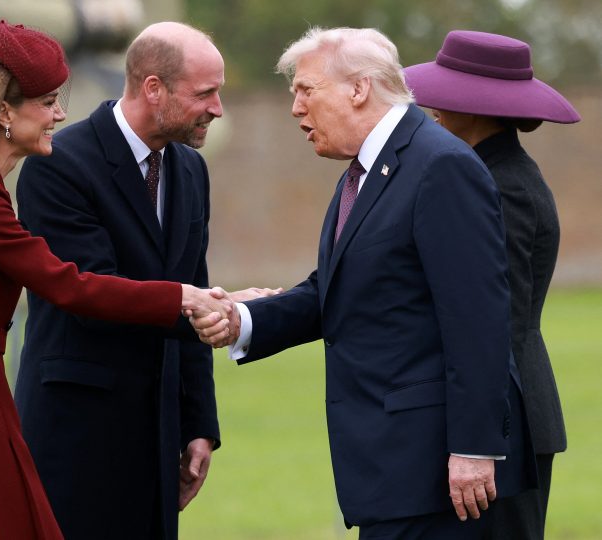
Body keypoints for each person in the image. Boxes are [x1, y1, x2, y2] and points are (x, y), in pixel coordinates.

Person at [0, 10, 229, 540]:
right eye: (45, 103)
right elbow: (68, 284)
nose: (58, 115)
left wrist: (196, 419)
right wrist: (186, 298)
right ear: (2, 113)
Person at [194, 27, 537, 539]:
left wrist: (473, 448)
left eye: (305, 90)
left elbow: (478, 319)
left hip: (439, 476)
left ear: (358, 89)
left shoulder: (440, 166)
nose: (295, 108)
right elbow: (337, 289)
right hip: (393, 470)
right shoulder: (367, 168)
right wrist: (243, 319)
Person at [13, 21, 277, 540]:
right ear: (153, 87)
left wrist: (199, 425)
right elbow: (89, 293)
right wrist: (207, 304)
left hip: (158, 439)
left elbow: (192, 278)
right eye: (206, 93)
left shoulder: (190, 169)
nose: (218, 108)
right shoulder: (59, 165)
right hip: (77, 436)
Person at [404, 30, 578, 540]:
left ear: (478, 105)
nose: (432, 104)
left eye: (447, 91)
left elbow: (489, 319)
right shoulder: (484, 172)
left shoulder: (502, 185)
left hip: (508, 423)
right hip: (500, 416)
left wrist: (477, 438)